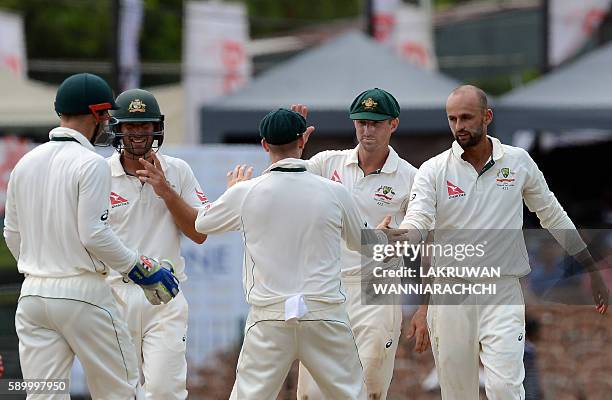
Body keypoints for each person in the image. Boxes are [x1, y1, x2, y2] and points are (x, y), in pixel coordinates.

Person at [398, 84, 609, 399]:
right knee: (457, 392)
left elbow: (552, 215)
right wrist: (401, 236)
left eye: (466, 117)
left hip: (502, 291)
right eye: (452, 119)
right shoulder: (434, 169)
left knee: (506, 388)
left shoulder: (518, 161)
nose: (459, 126)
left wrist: (590, 268)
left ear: (487, 116)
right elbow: (419, 218)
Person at [3, 73, 180, 399]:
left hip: (32, 297)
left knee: (44, 395)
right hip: (83, 294)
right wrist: (142, 270)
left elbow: (12, 234)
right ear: (98, 114)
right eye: (108, 116)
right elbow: (94, 234)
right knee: (120, 392)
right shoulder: (91, 164)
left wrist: (42, 267)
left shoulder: (24, 164)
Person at [195, 108, 369, 399]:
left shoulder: (246, 192)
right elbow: (364, 244)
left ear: (264, 145)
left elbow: (203, 222)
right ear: (303, 141)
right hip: (324, 313)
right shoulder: (335, 192)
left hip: (270, 317)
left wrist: (233, 191)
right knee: (351, 395)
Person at [293, 88, 426, 400]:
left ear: (393, 124)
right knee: (313, 392)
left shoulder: (411, 177)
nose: (367, 130)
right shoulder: (327, 164)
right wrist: (293, 145)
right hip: (326, 287)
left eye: (376, 123)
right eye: (362, 122)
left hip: (376, 290)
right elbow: (282, 181)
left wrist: (425, 306)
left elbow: (423, 237)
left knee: (369, 387)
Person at [106, 88, 208, 399]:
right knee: (116, 392)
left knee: (166, 390)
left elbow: (199, 232)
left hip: (164, 295)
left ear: (156, 128)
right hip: (113, 295)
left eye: (144, 125)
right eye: (130, 126)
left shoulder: (178, 170)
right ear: (119, 129)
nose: (137, 133)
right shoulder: (98, 174)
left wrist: (166, 191)